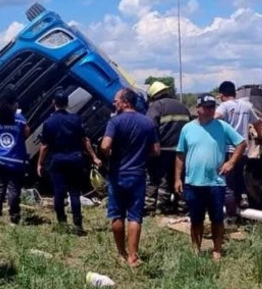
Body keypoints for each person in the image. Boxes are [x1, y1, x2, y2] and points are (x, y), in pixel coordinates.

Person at [175, 95, 247, 261]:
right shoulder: (187, 129)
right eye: (206, 107)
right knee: (196, 219)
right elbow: (180, 154)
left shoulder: (222, 127)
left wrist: (231, 162)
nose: (210, 110)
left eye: (212, 107)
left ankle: (217, 250)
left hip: (216, 182)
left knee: (217, 219)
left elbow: (241, 143)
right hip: (193, 182)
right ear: (198, 109)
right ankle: (196, 250)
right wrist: (177, 178)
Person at [101, 88, 159, 268]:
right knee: (135, 217)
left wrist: (108, 155)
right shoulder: (147, 122)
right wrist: (142, 157)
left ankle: (121, 253)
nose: (114, 103)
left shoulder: (114, 122)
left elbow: (105, 145)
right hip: (138, 175)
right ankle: (133, 256)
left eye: (116, 100)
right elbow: (156, 150)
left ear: (126, 102)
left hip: (118, 174)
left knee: (117, 215)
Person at [37, 91, 101, 234]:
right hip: (75, 159)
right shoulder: (75, 119)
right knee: (74, 192)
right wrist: (94, 157)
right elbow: (85, 140)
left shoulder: (49, 122)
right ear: (67, 103)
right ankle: (78, 225)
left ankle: (62, 224)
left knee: (58, 193)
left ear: (53, 103)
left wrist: (40, 164)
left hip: (58, 160)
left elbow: (45, 146)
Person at [215, 81, 262, 221]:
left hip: (228, 150)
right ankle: (242, 205)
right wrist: (260, 137)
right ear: (234, 93)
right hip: (243, 149)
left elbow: (214, 118)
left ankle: (231, 217)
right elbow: (257, 123)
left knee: (228, 183)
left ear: (222, 95)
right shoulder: (246, 106)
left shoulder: (224, 106)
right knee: (239, 178)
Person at [145, 81, 191, 215]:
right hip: (181, 150)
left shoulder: (156, 106)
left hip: (162, 149)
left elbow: (149, 126)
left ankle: (156, 208)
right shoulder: (182, 106)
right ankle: (182, 207)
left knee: (156, 178)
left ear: (153, 96)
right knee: (179, 177)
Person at [0, 89, 30, 226]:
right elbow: (26, 134)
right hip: (15, 160)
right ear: (15, 104)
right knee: (13, 190)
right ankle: (14, 218)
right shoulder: (21, 120)